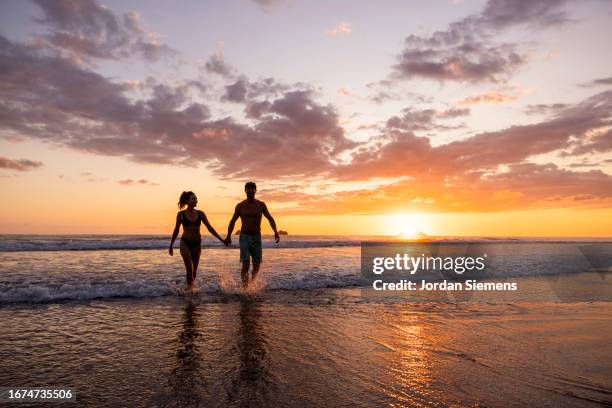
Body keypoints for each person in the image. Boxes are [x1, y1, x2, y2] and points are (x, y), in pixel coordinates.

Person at [225, 182, 279, 288]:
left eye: (252, 189)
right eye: (248, 189)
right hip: (244, 237)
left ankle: (252, 284)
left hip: (256, 237)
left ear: (255, 190)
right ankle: (245, 288)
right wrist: (228, 235)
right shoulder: (240, 206)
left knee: (257, 265)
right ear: (245, 191)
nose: (250, 190)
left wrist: (275, 231)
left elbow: (270, 218)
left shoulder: (261, 205)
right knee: (245, 264)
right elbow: (232, 221)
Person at [169, 191, 226, 291]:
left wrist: (222, 239)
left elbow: (210, 228)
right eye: (193, 199)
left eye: (196, 198)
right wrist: (171, 245)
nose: (196, 200)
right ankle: (189, 291)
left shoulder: (200, 214)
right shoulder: (181, 215)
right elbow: (176, 230)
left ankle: (190, 289)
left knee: (194, 272)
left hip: (197, 244)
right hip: (185, 243)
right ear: (187, 201)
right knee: (189, 270)